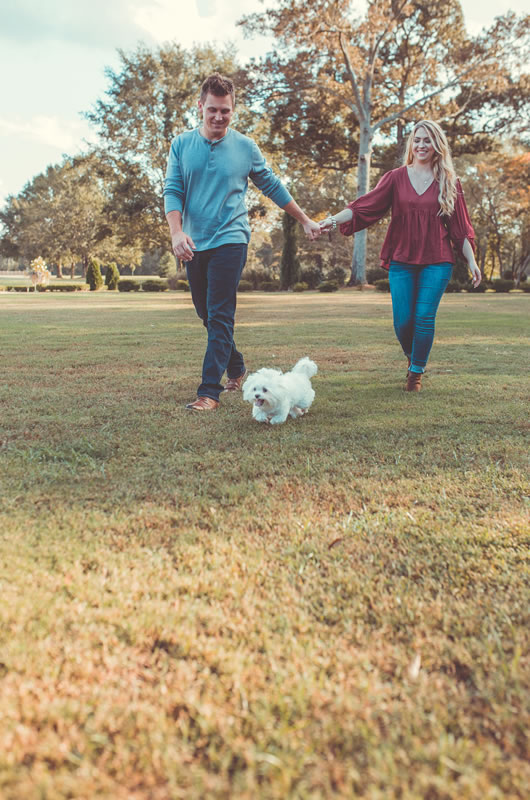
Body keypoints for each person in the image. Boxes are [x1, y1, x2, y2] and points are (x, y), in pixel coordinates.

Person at [164, 73, 321, 411]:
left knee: (220, 314)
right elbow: (173, 190)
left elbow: (273, 186)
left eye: (226, 111)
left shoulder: (245, 147)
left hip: (231, 239)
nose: (219, 117)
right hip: (193, 242)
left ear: (233, 109)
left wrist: (305, 219)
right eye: (213, 110)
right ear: (200, 106)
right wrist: (177, 232)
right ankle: (236, 367)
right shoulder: (181, 145)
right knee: (207, 315)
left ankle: (209, 392)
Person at [319, 120, 481, 391]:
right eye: (417, 140)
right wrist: (332, 221)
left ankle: (415, 372)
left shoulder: (450, 182)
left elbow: (460, 229)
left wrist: (472, 261)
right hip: (402, 259)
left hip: (437, 260)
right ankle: (413, 357)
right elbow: (364, 206)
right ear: (411, 144)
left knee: (424, 317)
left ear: (437, 145)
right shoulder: (395, 177)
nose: (421, 145)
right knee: (403, 320)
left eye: (427, 140)